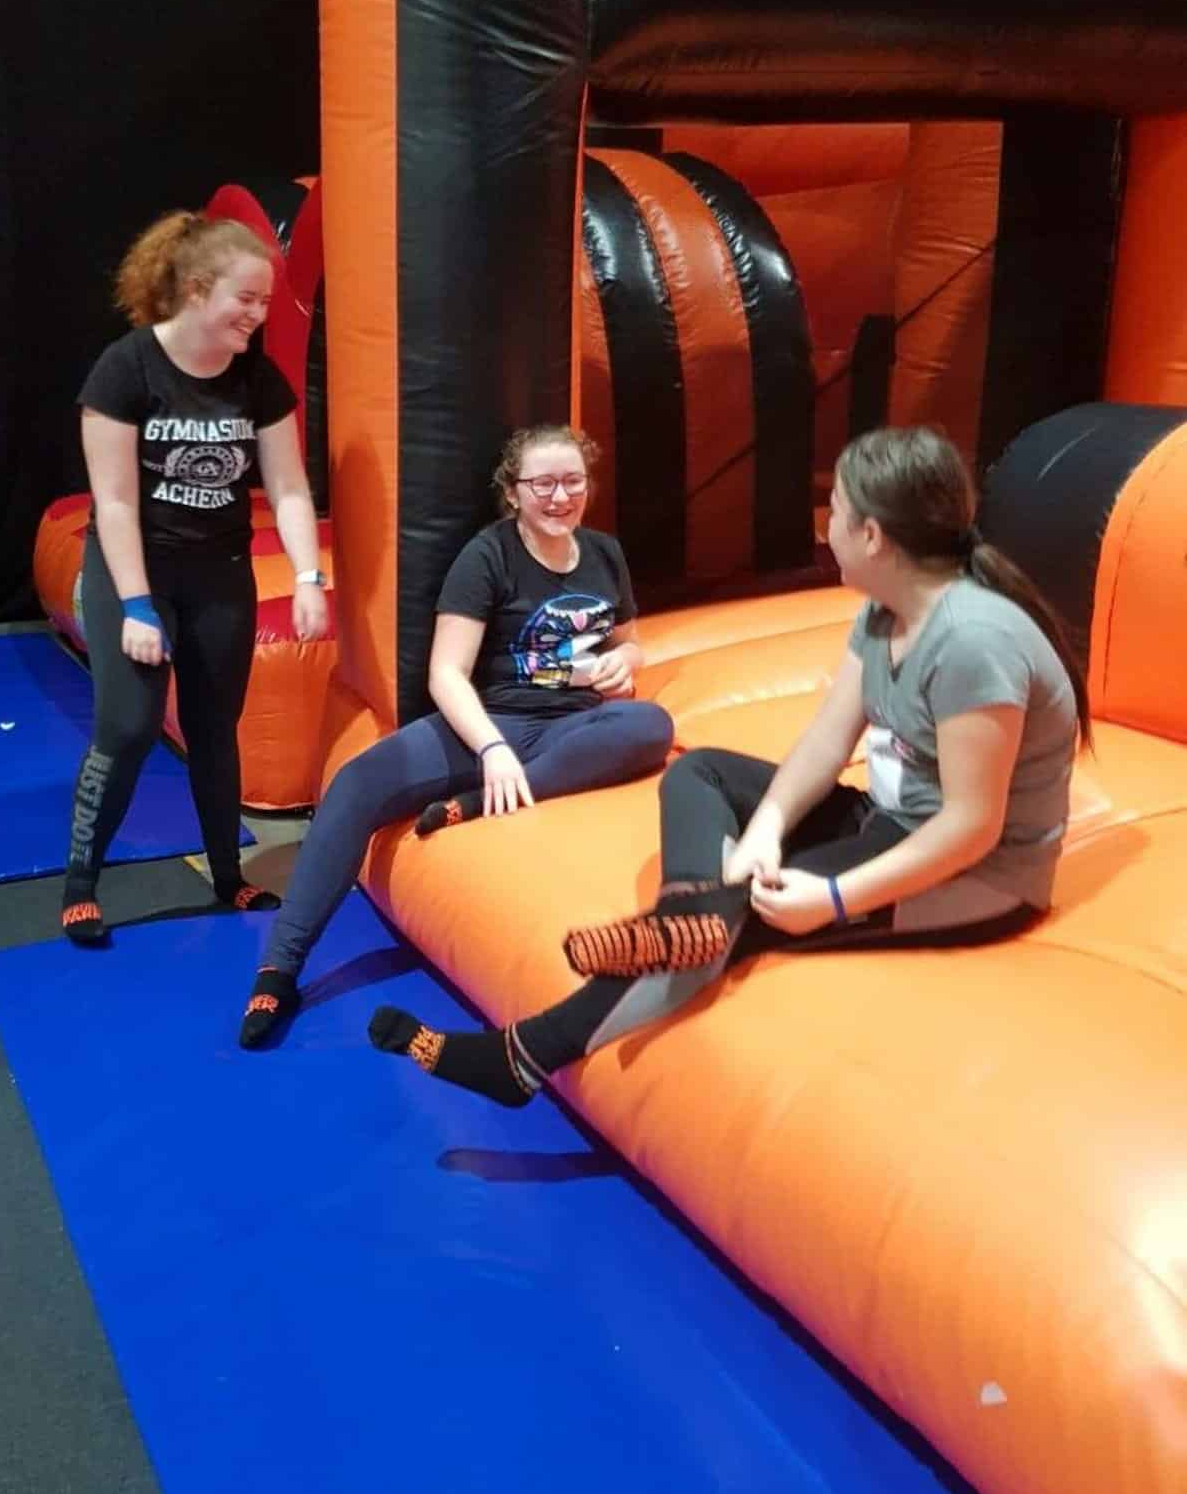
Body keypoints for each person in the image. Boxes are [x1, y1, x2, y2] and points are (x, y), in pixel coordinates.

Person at [369, 424, 1087, 1106]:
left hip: (976, 876)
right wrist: (766, 826)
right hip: (891, 820)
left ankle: (518, 1058)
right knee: (702, 771)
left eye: (836, 510)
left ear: (872, 535)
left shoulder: (972, 641)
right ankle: (687, 915)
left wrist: (833, 900)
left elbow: (971, 826)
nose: (827, 525)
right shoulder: (884, 609)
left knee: (741, 911)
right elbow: (825, 742)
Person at [238, 425, 676, 1044]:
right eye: (543, 484)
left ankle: (470, 804)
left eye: (573, 481)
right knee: (357, 782)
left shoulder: (604, 554)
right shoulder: (489, 556)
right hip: (491, 721)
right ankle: (279, 969)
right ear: (513, 491)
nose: (560, 497)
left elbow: (629, 643)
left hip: (573, 728)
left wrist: (622, 663)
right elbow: (446, 672)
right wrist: (491, 747)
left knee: (651, 724)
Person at [61, 210, 329, 945]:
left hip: (220, 573)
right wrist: (137, 607)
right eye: (246, 298)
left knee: (216, 730)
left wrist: (308, 576)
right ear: (198, 289)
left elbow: (290, 488)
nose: (257, 314)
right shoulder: (127, 369)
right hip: (135, 569)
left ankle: (228, 875)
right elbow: (115, 501)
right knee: (129, 726)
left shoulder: (256, 379)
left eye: (265, 301)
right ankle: (81, 882)